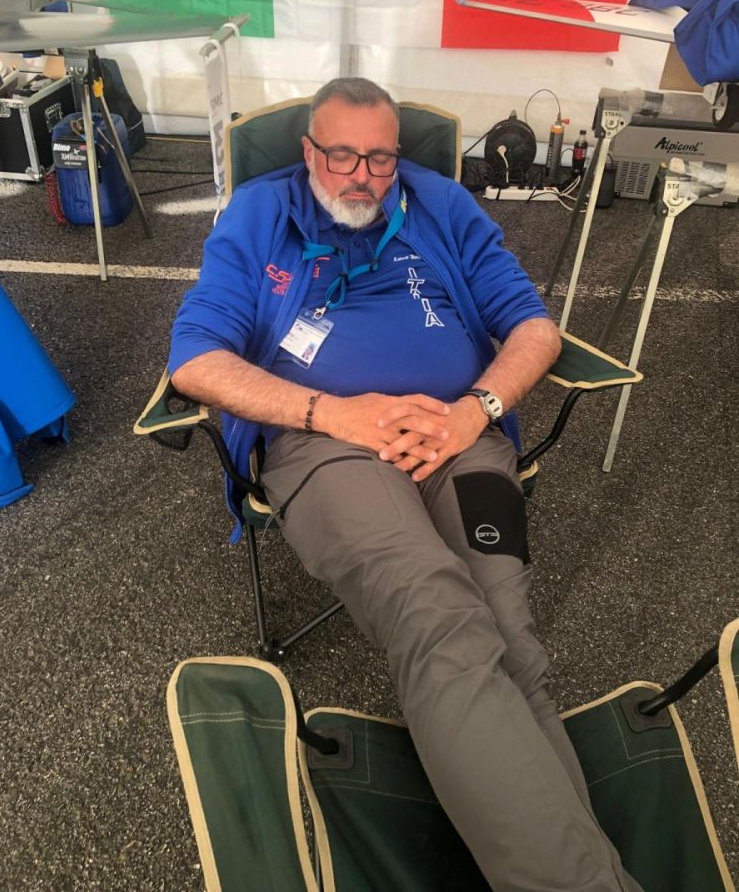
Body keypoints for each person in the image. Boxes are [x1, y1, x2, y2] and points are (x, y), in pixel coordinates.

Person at [169, 78, 641, 892]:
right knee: (438, 613)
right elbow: (196, 360)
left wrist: (473, 411)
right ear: (308, 152)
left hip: (459, 436)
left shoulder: (442, 203)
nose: (362, 175)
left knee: (513, 643)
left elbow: (533, 327)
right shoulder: (260, 212)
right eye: (341, 155)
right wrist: (333, 413)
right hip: (325, 446)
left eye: (380, 158)